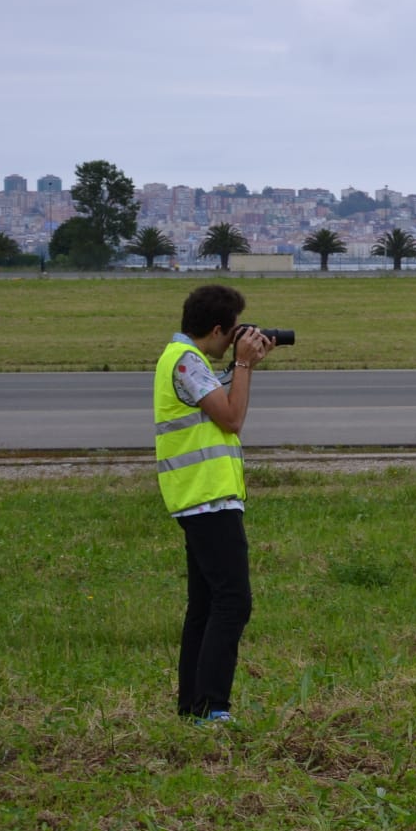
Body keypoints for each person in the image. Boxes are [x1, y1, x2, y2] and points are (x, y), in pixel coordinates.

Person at [153, 284, 275, 723]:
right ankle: (212, 706)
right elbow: (232, 418)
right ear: (220, 329)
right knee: (232, 602)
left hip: (201, 498)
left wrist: (245, 366)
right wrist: (242, 363)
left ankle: (193, 706)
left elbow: (223, 408)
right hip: (207, 500)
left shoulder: (188, 361)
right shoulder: (187, 362)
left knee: (205, 606)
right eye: (233, 334)